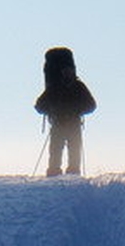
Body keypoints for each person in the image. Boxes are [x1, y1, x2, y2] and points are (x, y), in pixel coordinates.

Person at [34, 47, 96, 177]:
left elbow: (92, 105)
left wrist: (53, 110)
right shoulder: (78, 87)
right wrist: (78, 111)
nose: (68, 72)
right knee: (62, 152)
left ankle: (58, 176)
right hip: (69, 124)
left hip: (61, 123)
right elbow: (39, 106)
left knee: (62, 152)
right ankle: (67, 176)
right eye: (66, 70)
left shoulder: (56, 88)